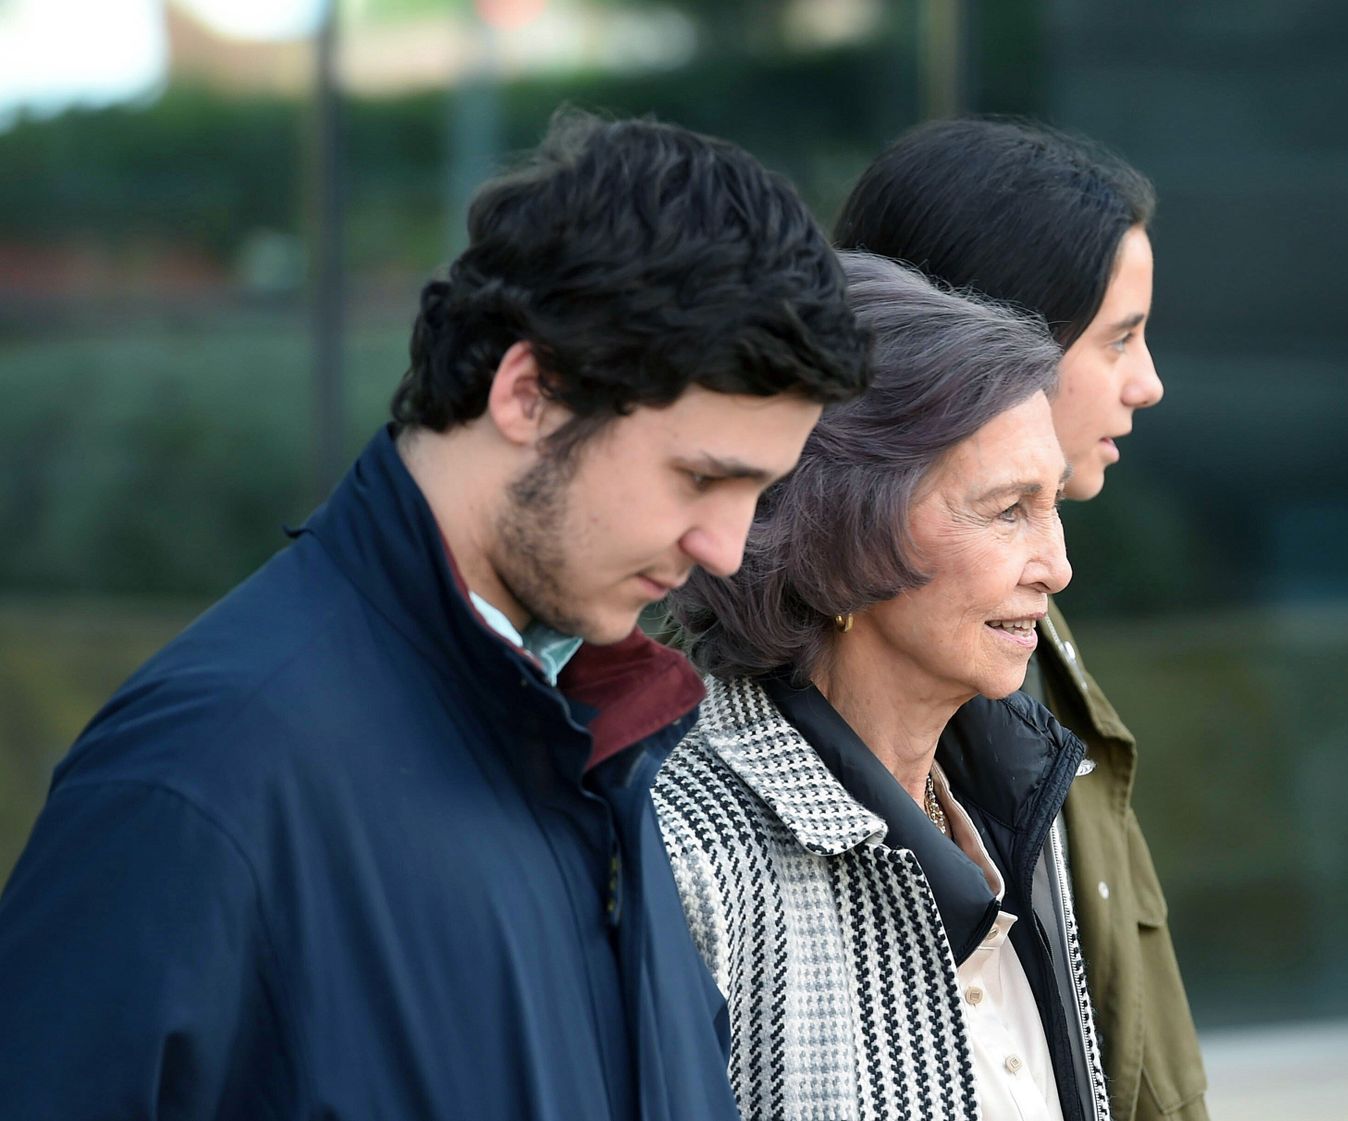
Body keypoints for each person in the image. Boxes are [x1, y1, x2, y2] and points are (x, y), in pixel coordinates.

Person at [0, 111, 871, 1120]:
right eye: (700, 477)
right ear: (529, 392)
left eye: (756, 493)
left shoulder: (598, 737)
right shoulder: (204, 768)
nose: (723, 546)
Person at [657, 250, 1110, 1121]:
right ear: (844, 532)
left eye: (1054, 504)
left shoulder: (1021, 797)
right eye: (1008, 508)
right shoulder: (690, 859)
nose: (1056, 565)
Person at [835, 117, 1206, 1121]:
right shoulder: (839, 689)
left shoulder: (1021, 631)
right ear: (983, 347)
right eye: (1118, 338)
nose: (1148, 381)